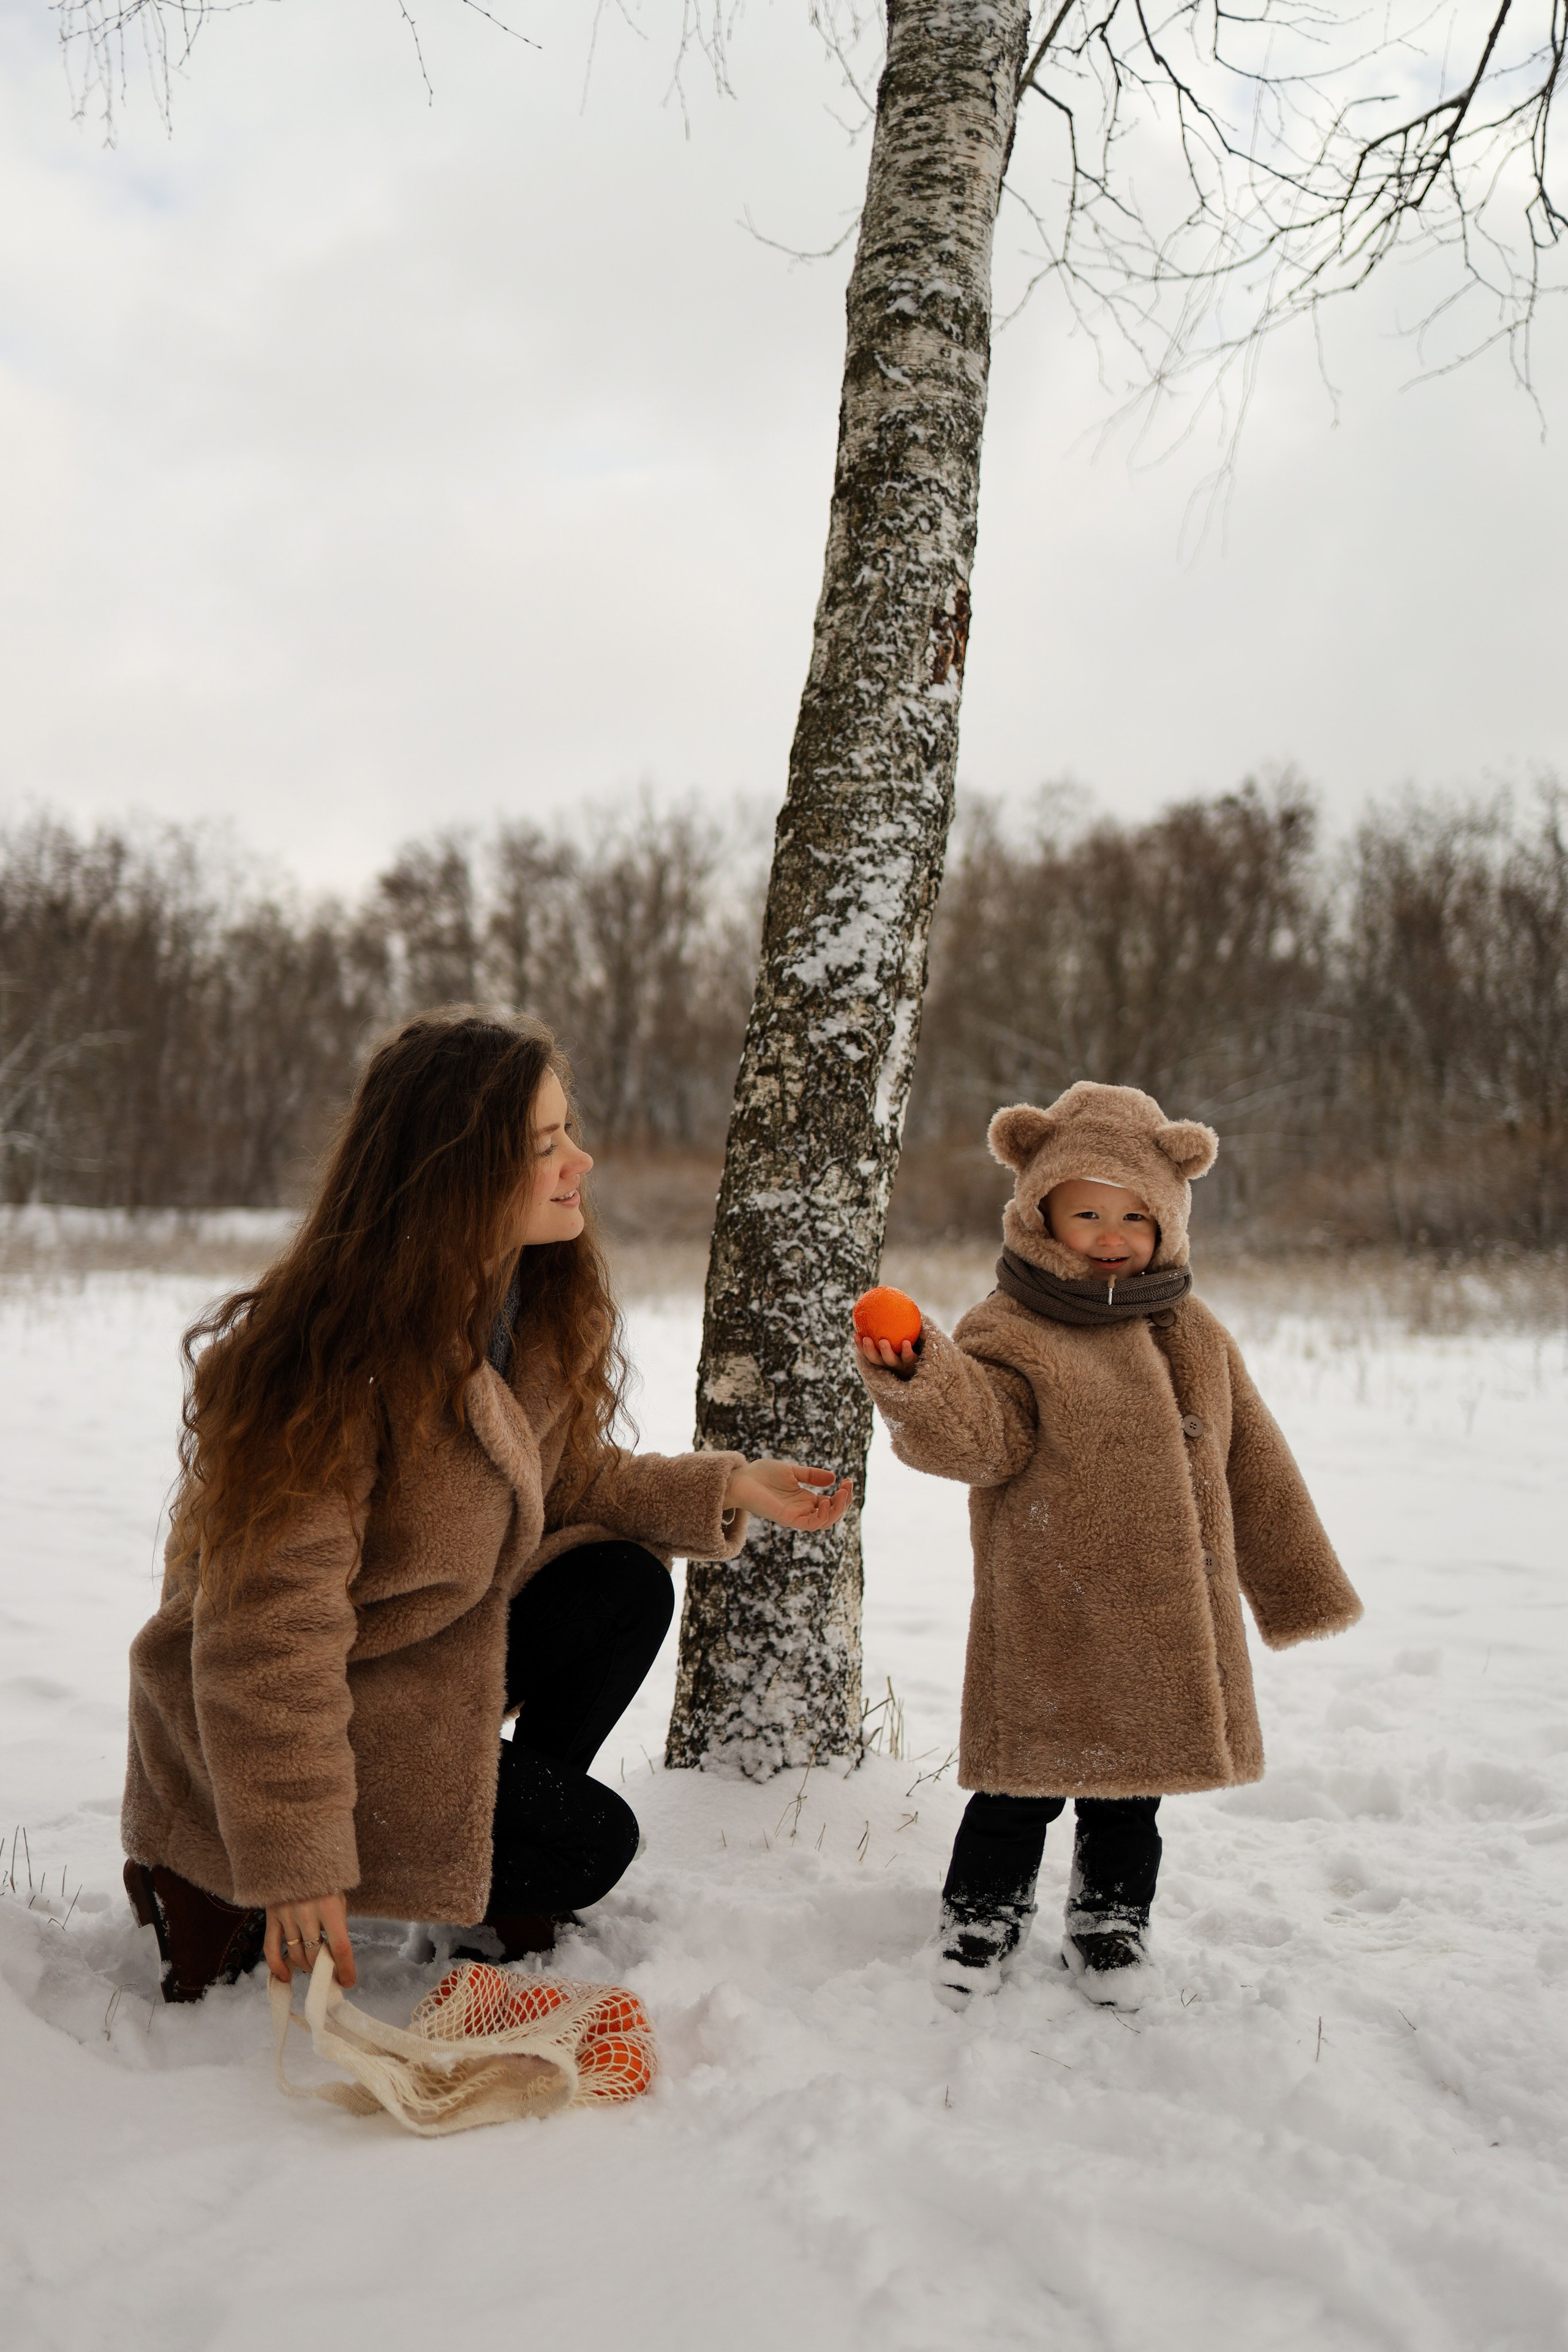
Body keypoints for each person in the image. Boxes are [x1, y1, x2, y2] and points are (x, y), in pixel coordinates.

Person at [122, 1009, 850, 2003]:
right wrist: (296, 1859)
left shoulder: (522, 1307)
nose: (581, 1161)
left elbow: (558, 1484)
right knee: (597, 1843)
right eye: (546, 1144)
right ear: (455, 1173)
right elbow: (265, 1644)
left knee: (622, 1583)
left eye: (569, 1133)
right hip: (283, 1717)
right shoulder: (325, 1365)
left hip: (418, 1675)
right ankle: (207, 1873)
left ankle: (478, 1862)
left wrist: (724, 1485)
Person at [853, 1079, 1362, 2011]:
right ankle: (981, 1911)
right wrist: (924, 1377)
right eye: (1087, 1211)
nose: (1112, 1232)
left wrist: (1299, 1590)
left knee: (1132, 1796)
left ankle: (1111, 1921)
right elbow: (983, 1439)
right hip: (1052, 1602)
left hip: (1165, 1614)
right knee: (1020, 1787)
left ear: (1169, 1219)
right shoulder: (1009, 1328)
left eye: (1137, 1214)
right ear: (1039, 1211)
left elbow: (1258, 1467)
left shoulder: (1194, 1334)